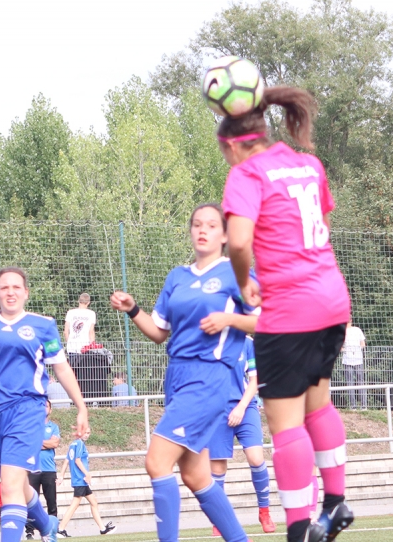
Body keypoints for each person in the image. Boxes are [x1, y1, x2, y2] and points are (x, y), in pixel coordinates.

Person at [215, 82, 354, 541]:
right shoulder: (308, 164)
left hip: (290, 309)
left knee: (284, 425)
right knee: (318, 405)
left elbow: (238, 242)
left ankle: (298, 529)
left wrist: (243, 282)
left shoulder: (246, 173)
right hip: (331, 300)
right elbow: (323, 227)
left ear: (231, 145)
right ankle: (335, 502)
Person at [110, 204, 255, 542]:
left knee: (157, 462)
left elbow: (270, 320)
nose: (202, 230)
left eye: (211, 225)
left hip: (209, 378)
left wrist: (229, 319)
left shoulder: (236, 273)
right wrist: (133, 309)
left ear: (225, 235)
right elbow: (159, 333)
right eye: (197, 224)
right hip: (177, 377)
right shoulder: (178, 276)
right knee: (195, 476)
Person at [0, 266, 89, 542]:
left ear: (26, 292)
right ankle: (47, 525)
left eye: (16, 287)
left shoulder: (43, 326)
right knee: (14, 483)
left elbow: (61, 368)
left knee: (11, 486)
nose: (11, 292)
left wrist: (81, 407)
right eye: (5, 287)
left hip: (28, 410)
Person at [207, 336, 275, 535]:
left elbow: (254, 381)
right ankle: (219, 520)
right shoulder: (205, 340)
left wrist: (241, 407)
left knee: (256, 459)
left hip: (245, 406)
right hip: (216, 411)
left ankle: (264, 512)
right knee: (217, 468)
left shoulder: (247, 343)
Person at [55, 430, 115, 536]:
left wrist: (61, 476)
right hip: (80, 479)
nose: (87, 435)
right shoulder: (79, 443)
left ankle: (102, 529)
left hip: (81, 480)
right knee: (75, 504)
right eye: (85, 432)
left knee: (94, 502)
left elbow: (67, 460)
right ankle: (60, 529)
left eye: (88, 433)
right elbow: (77, 460)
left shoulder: (73, 444)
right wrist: (87, 474)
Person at [24, 399, 60, 539]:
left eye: (46, 406)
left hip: (49, 470)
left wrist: (39, 443)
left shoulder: (54, 427)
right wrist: (47, 443)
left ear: (50, 410)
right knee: (31, 501)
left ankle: (53, 530)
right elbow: (30, 444)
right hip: (33, 469)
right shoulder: (32, 426)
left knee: (52, 501)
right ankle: (29, 531)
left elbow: (55, 444)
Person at [341, 320, 366, 411]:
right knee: (350, 382)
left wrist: (357, 349)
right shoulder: (342, 331)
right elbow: (339, 346)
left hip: (358, 360)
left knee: (360, 382)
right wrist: (346, 350)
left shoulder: (357, 330)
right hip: (347, 360)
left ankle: (363, 405)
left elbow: (363, 344)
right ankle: (353, 406)